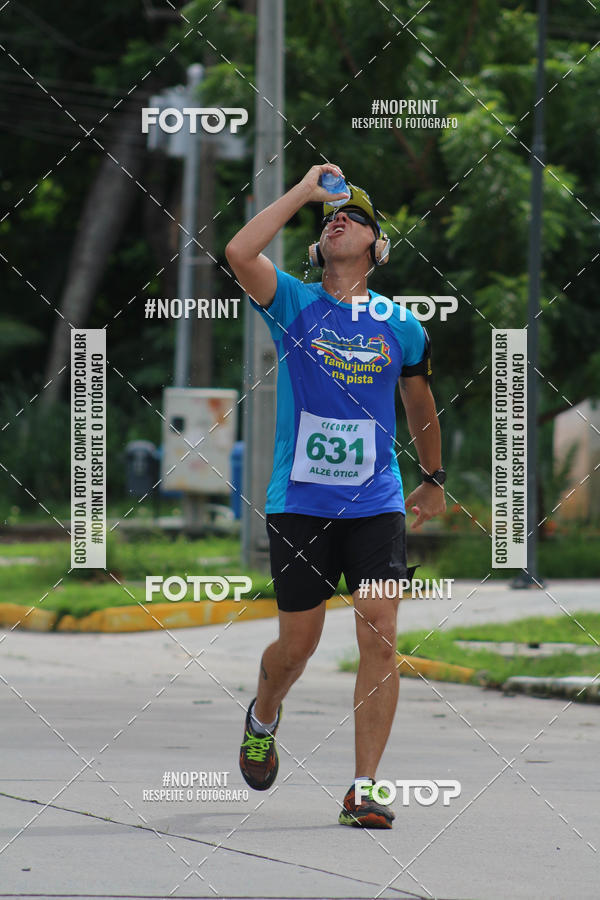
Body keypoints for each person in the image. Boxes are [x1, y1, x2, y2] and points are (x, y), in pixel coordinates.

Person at [225, 163, 446, 829]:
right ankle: (264, 714)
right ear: (319, 246)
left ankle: (363, 789)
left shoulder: (401, 326)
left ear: (379, 247)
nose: (338, 220)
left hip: (375, 502)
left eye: (355, 216)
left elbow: (419, 402)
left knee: (379, 631)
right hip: (301, 503)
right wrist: (304, 192)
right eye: (329, 219)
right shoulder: (292, 302)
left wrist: (432, 478)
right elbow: (238, 252)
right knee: (298, 647)